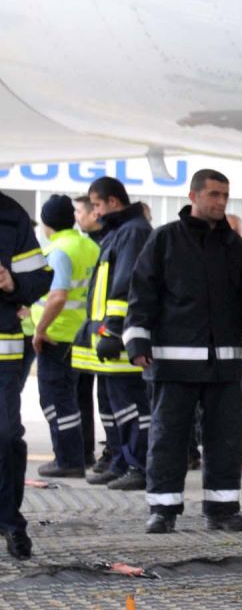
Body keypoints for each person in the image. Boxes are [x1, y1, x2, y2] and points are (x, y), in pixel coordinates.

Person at [123, 169, 242, 533]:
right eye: (214, 194)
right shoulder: (164, 240)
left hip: (225, 366)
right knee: (168, 437)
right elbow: (142, 293)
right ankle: (163, 509)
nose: (220, 202)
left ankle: (223, 508)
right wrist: (137, 341)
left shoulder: (233, 246)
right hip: (173, 363)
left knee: (227, 439)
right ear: (193, 196)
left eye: (225, 195)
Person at [76, 176, 153, 490]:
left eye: (96, 205)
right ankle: (121, 461)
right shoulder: (120, 232)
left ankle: (139, 466)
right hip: (108, 338)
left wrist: (113, 330)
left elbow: (124, 287)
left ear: (112, 202)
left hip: (120, 339)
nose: (94, 213)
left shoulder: (132, 233)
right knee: (114, 407)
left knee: (132, 407)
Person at [0, 191, 54, 558]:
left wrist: (12, 285)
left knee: (5, 436)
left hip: (2, 354)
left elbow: (39, 278)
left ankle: (9, 522)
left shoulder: (9, 215)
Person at [30, 194, 99, 477]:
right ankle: (80, 455)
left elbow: (58, 296)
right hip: (83, 335)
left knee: (56, 399)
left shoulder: (59, 250)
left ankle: (68, 460)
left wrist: (40, 329)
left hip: (57, 336)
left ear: (46, 223)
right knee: (76, 398)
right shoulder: (90, 246)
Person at [72, 196, 103, 471]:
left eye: (80, 211)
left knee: (84, 395)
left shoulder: (96, 244)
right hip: (85, 331)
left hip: (88, 332)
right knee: (87, 395)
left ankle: (83, 453)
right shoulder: (93, 244)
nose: (77, 216)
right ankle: (87, 452)